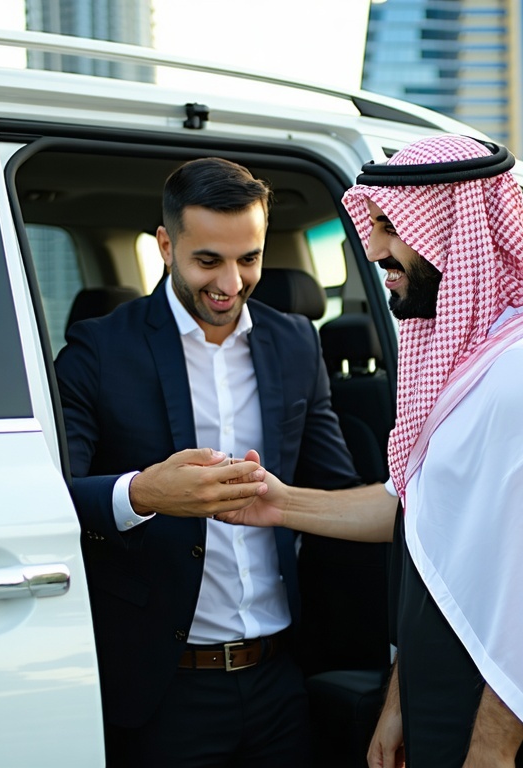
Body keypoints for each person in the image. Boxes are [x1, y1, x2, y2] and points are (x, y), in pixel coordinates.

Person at [220, 134, 523, 767]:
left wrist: (491, 753)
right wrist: (278, 504)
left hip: (500, 728)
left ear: (452, 226)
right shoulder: (475, 362)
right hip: (442, 702)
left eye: (391, 226)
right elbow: (423, 521)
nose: (375, 247)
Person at [53, 157, 359, 767]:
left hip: (280, 677)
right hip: (164, 689)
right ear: (167, 245)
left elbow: (337, 492)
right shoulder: (98, 349)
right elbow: (53, 496)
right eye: (208, 261)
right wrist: (142, 494)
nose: (231, 283)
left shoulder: (297, 343)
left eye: (249, 259)